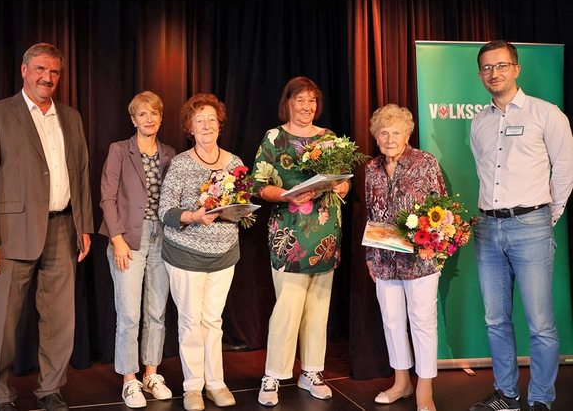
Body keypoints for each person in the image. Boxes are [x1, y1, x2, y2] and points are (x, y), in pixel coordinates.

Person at [0, 43, 93, 411]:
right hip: (11, 235)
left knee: (60, 319)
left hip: (61, 230)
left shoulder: (70, 117)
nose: (48, 77)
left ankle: (51, 389)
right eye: (41, 69)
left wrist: (84, 225)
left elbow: (81, 174)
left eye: (55, 72)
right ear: (24, 70)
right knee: (2, 323)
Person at [468, 40, 573, 411]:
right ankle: (507, 394)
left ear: (516, 68)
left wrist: (548, 216)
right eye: (486, 68)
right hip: (487, 228)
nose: (493, 73)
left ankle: (542, 398)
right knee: (495, 319)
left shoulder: (547, 114)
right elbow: (484, 172)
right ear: (480, 74)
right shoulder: (478, 122)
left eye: (500, 66)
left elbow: (563, 172)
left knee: (540, 322)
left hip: (531, 225)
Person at [251, 76, 350, 407]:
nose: (306, 107)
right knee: (288, 308)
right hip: (289, 235)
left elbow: (345, 182)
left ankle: (311, 372)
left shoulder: (329, 138)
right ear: (288, 103)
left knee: (319, 308)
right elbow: (258, 184)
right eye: (300, 100)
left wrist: (340, 187)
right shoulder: (275, 138)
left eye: (312, 101)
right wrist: (287, 194)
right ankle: (273, 375)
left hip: (326, 233)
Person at [158, 93, 241, 411]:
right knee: (191, 322)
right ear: (190, 128)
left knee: (213, 321)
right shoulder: (180, 164)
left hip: (223, 254)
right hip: (186, 255)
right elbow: (166, 211)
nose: (206, 126)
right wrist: (193, 216)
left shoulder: (234, 163)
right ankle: (193, 387)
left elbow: (238, 206)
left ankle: (215, 383)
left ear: (220, 124)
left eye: (211, 120)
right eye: (199, 121)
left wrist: (237, 211)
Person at [364, 104, 446, 411]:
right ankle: (402, 383)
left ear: (407, 134)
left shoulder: (425, 163)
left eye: (396, 132)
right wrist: (371, 257)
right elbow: (372, 216)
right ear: (375, 137)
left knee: (423, 323)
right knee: (392, 321)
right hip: (384, 261)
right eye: (383, 133)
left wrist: (434, 249)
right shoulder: (371, 169)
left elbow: (442, 210)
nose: (389, 138)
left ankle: (425, 390)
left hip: (421, 260)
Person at [99, 91, 176, 408]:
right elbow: (107, 197)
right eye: (143, 114)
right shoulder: (119, 150)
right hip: (128, 240)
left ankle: (151, 373)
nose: (149, 119)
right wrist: (116, 238)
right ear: (133, 119)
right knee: (129, 314)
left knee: (156, 312)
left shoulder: (170, 153)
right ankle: (129, 380)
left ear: (160, 118)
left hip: (163, 238)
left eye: (155, 114)